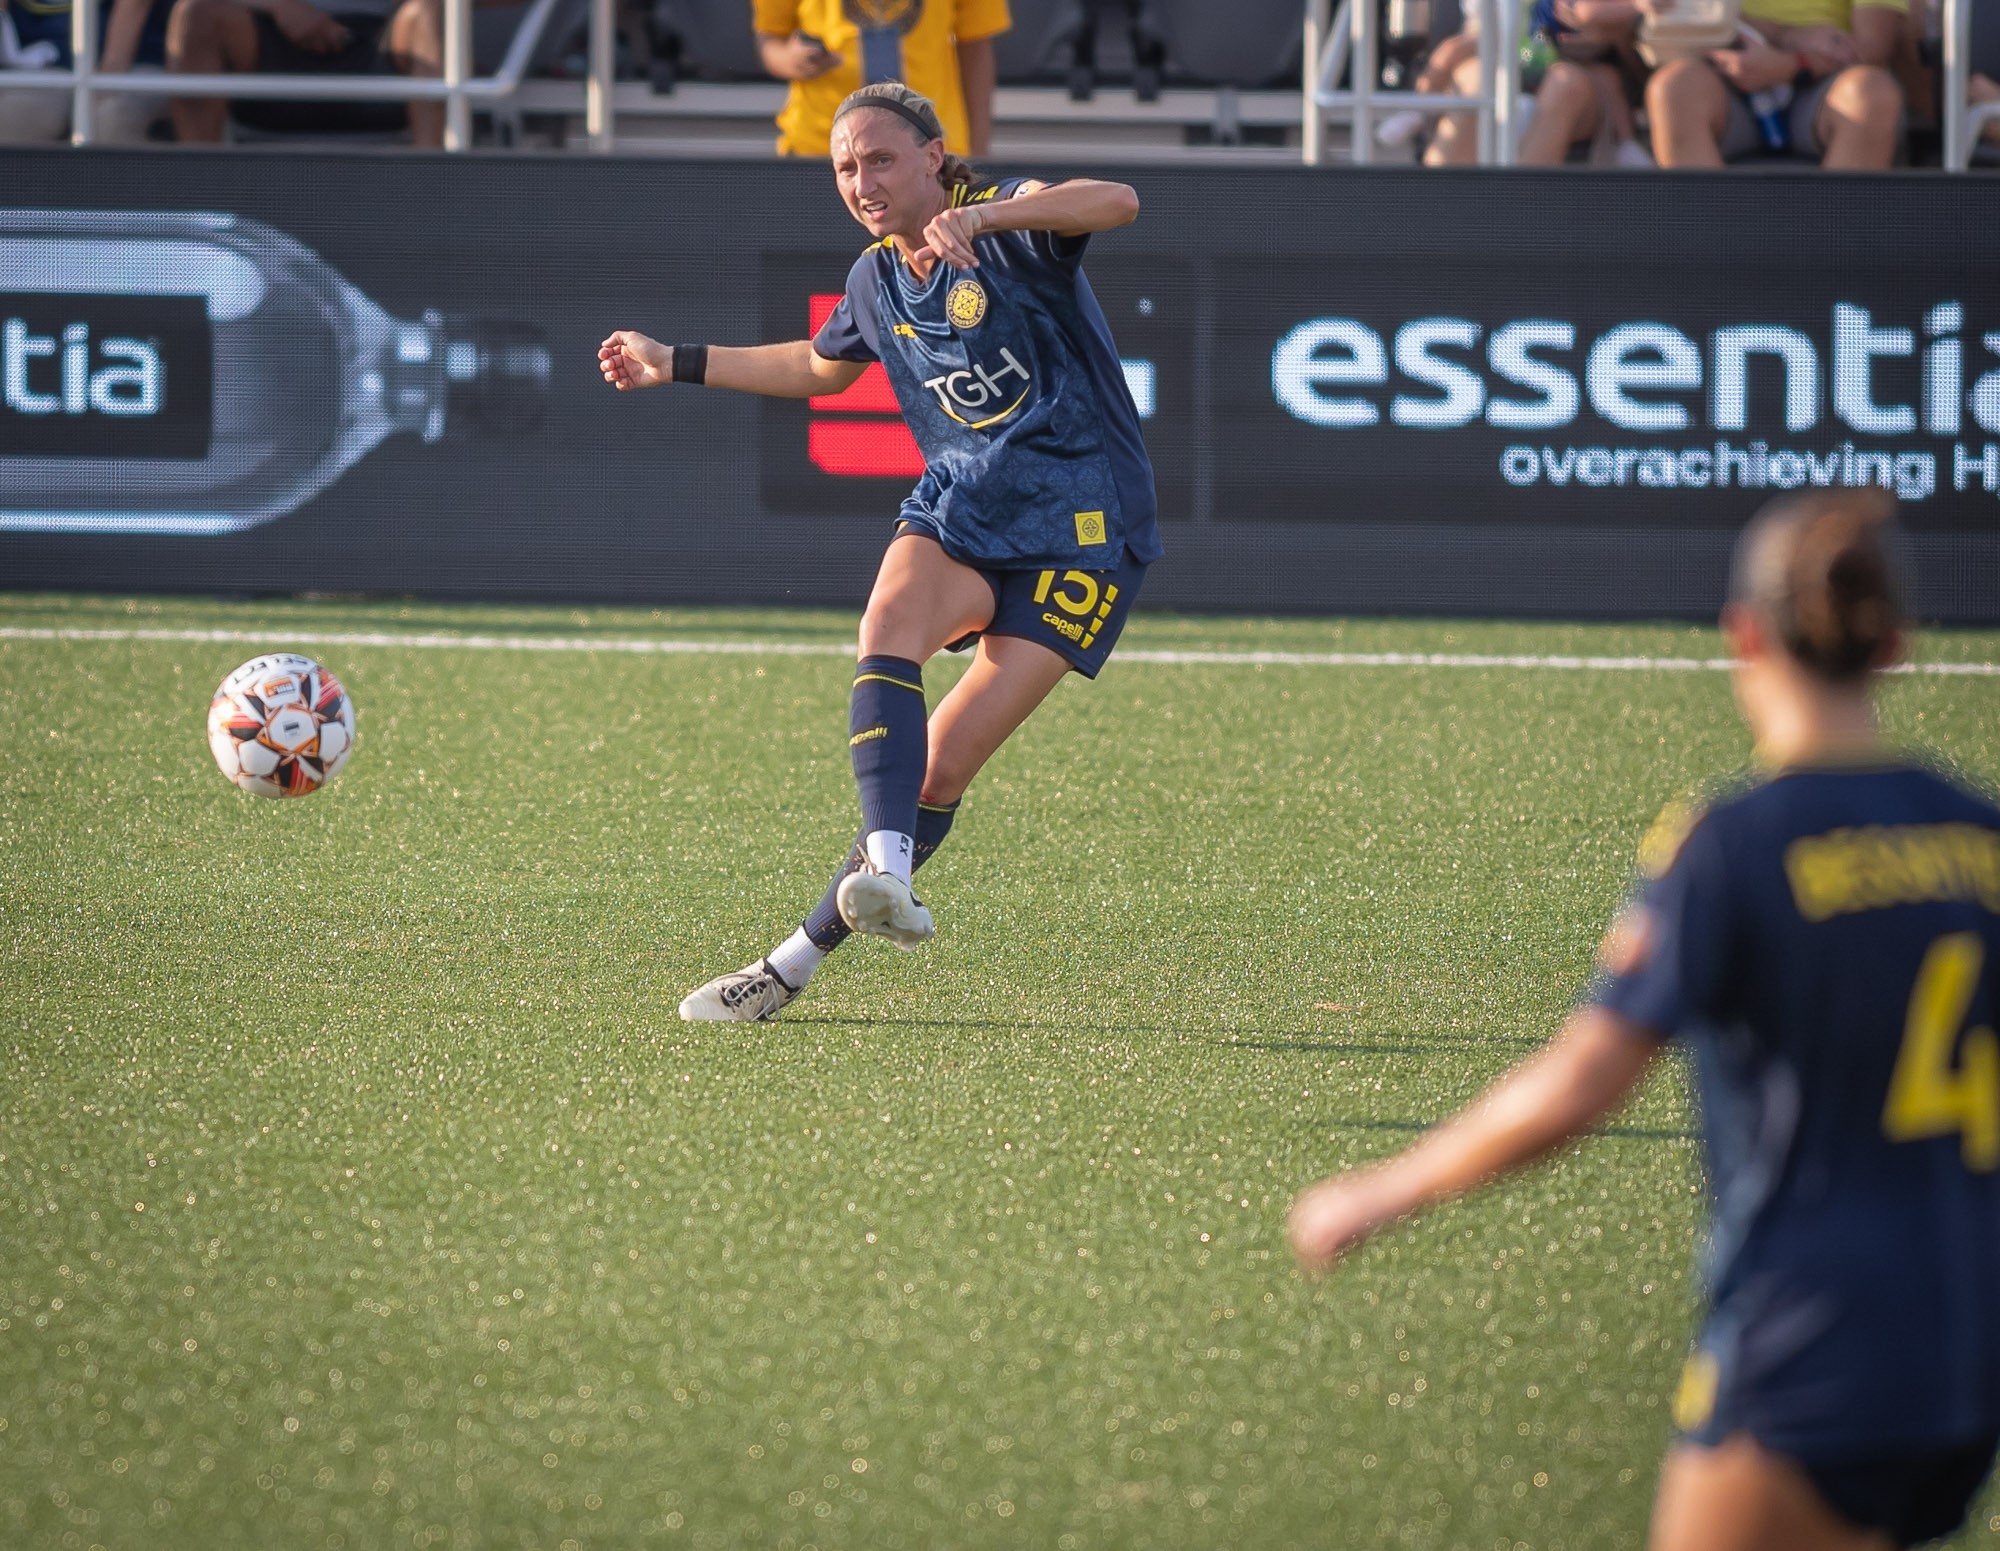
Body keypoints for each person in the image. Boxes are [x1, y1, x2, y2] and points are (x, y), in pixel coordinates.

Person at [1290, 491, 1999, 1549]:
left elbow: (1582, 1081)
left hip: (1812, 1337)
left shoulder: (1735, 845)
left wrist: (1381, 1190)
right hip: (1970, 1344)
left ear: (1742, 634)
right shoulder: (1977, 833)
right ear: (1894, 643)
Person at [598, 80, 1160, 1023]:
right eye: (846, 166)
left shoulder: (1007, 223)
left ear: (935, 158)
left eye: (882, 157)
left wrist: (992, 220)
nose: (862, 179)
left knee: (940, 771)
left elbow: (1119, 202)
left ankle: (788, 966)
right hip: (967, 507)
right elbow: (821, 367)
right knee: (886, 626)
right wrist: (676, 360)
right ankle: (890, 870)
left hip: (1085, 528)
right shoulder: (874, 276)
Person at [166, 0, 487, 145]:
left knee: (433, 10)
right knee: (194, 15)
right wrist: (281, 6)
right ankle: (201, 196)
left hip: (389, 44)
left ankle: (434, 188)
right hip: (267, 37)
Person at [1645, 0, 1906, 168]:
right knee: (1674, 89)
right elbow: (1688, 12)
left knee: (1872, 94)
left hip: (1828, 85)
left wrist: (1791, 65)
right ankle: (1709, 243)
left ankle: (1833, 242)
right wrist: (1788, 37)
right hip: (1724, 75)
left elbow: (1872, 47)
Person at [1402, 0, 1651, 167]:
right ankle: (1432, 214)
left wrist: (1586, 30)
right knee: (1477, 78)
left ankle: (1516, 219)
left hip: (1571, 74)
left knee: (1565, 85)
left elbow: (1601, 23)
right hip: (1491, 67)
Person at [753, 0, 1009, 158]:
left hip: (929, 148)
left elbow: (975, 46)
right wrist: (792, 60)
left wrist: (978, 153)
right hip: (820, 145)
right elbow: (770, 38)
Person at [0, 0, 171, 142]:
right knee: (15, 114)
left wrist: (108, 75)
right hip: (41, 63)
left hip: (137, 62)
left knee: (112, 117)